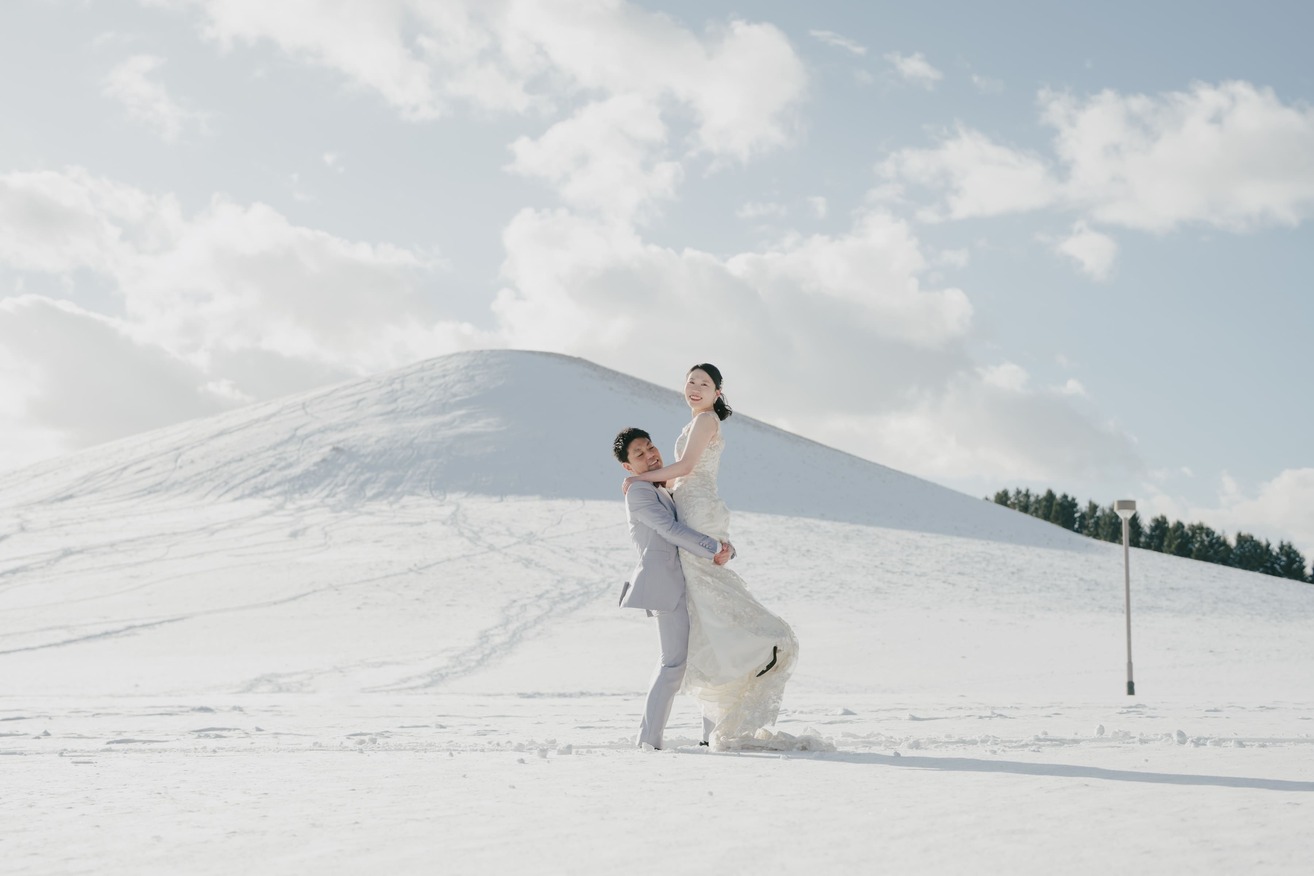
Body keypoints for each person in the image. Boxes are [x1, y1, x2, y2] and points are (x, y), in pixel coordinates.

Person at [622, 364, 798, 750]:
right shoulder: (693, 427)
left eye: (705, 383)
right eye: (691, 381)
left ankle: (760, 650)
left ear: (718, 393)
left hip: (697, 509)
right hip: (692, 513)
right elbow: (676, 482)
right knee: (708, 624)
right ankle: (712, 729)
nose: (695, 387)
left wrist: (639, 478)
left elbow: (686, 469)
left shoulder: (704, 421)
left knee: (708, 621)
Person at [613, 426, 733, 750]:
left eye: (650, 447)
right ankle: (648, 741)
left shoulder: (665, 488)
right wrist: (713, 548)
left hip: (691, 582)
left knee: (706, 656)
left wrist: (725, 548)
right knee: (673, 663)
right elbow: (669, 529)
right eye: (639, 454)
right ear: (628, 466)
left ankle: (713, 736)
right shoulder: (639, 492)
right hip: (666, 587)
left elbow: (693, 524)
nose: (650, 455)